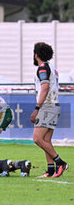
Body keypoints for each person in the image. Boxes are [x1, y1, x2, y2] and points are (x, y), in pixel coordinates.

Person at [31, 42, 68, 178]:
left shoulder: (42, 68)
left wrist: (37, 108)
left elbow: (45, 87)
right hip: (54, 105)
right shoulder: (52, 68)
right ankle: (51, 170)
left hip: (47, 106)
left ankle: (60, 163)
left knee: (37, 138)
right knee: (46, 140)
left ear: (36, 55)